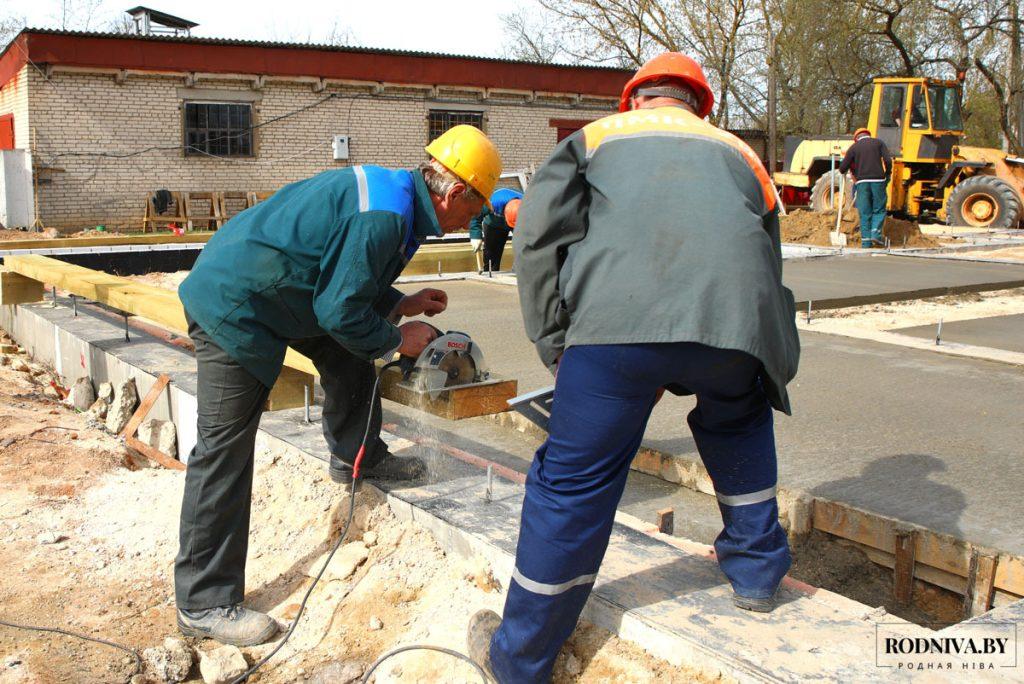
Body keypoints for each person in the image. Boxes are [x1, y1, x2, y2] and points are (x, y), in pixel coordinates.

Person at [466, 52, 800, 683]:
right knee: (740, 422)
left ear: (635, 99)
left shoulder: (593, 139)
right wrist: (765, 356)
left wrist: (554, 341)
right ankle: (755, 575)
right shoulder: (740, 152)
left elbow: (538, 236)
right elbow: (767, 260)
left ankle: (520, 660)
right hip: (733, 332)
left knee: (573, 483)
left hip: (615, 334)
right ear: (701, 103)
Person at [174, 124, 501, 647]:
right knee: (224, 449)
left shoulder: (397, 198)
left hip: (283, 293)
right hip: (235, 305)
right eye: (477, 207)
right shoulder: (387, 216)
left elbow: (343, 270)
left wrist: (400, 304)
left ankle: (359, 457)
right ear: (456, 193)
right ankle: (204, 600)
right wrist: (398, 338)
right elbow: (338, 307)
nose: (476, 219)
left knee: (350, 352)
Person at [839, 127, 892, 248]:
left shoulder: (854, 147)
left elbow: (842, 169)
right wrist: (888, 173)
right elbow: (888, 160)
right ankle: (875, 232)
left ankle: (866, 242)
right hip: (878, 180)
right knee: (879, 208)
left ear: (856, 138)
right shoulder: (879, 142)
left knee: (864, 211)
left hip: (862, 182)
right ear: (868, 134)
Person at [468, 188, 523, 272]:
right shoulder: (492, 203)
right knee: (491, 254)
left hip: (519, 223)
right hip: (493, 223)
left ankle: (519, 273)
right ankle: (490, 272)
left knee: (523, 247)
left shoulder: (527, 204)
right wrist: (475, 236)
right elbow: (475, 217)